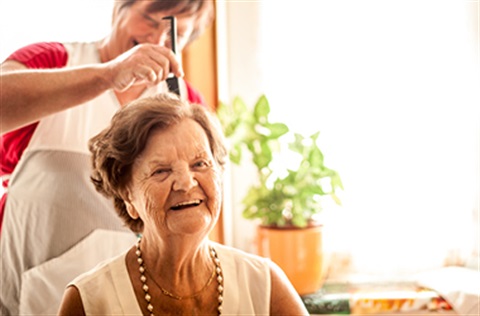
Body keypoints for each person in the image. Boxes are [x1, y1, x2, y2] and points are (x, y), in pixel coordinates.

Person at [0, 1, 214, 315]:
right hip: (27, 292)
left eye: (174, 33)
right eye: (148, 19)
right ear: (118, 10)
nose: (156, 39)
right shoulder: (53, 61)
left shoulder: (184, 101)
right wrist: (108, 76)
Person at [56, 92, 309, 315]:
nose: (186, 184)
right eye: (161, 171)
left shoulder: (265, 286)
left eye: (199, 164)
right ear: (128, 197)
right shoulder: (88, 303)